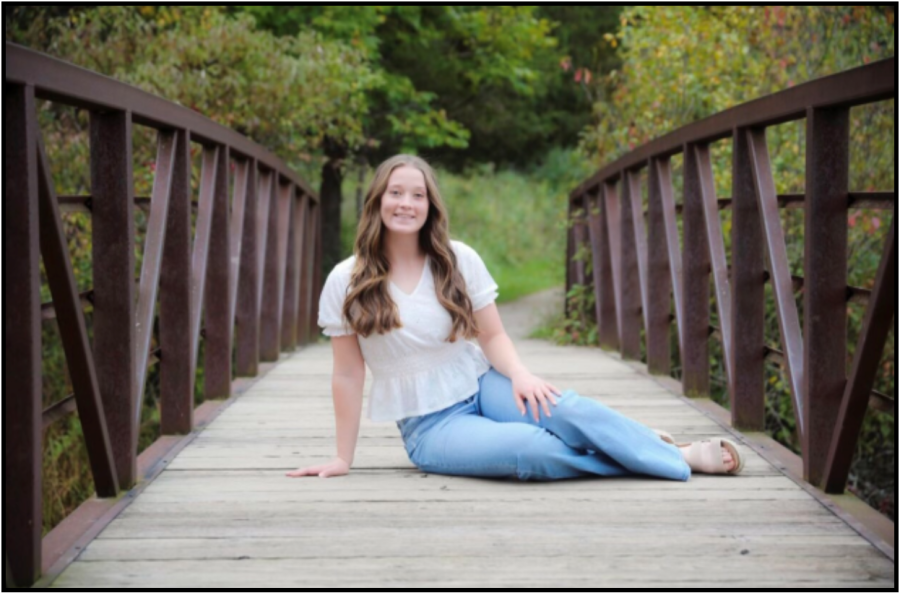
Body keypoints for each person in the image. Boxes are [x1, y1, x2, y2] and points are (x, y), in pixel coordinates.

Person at [286, 154, 743, 481]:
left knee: (566, 409)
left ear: (430, 206)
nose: (406, 203)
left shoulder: (456, 259)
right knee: (533, 451)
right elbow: (347, 374)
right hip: (432, 426)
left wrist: (521, 376)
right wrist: (342, 458)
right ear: (377, 202)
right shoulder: (346, 279)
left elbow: (493, 335)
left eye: (418, 195)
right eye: (395, 193)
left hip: (481, 384)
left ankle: (662, 450)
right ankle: (660, 453)